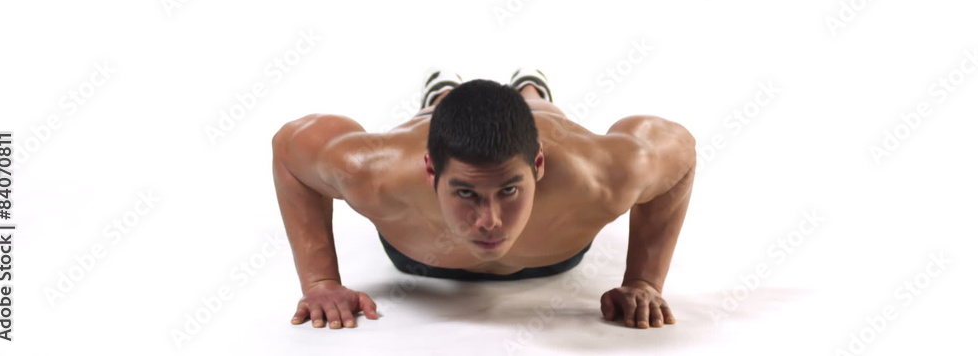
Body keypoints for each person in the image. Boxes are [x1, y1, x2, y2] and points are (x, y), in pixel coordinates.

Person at [272, 68, 696, 330]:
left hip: (554, 257)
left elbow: (679, 151)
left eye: (509, 190)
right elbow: (289, 149)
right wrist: (320, 282)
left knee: (542, 113)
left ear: (539, 166)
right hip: (417, 257)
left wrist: (643, 281)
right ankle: (440, 96)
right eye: (466, 193)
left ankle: (533, 92)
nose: (489, 220)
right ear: (430, 171)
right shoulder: (373, 171)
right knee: (436, 114)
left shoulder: (603, 174)